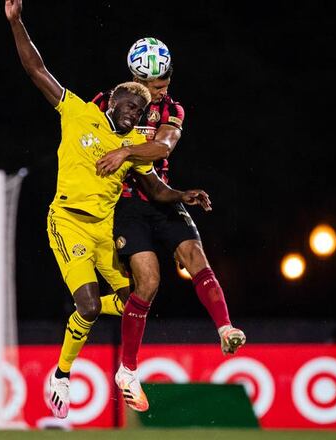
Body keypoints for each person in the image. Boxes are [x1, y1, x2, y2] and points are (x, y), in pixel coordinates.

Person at [5, 0, 213, 418]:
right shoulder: (79, 113)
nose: (135, 114)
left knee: (136, 297)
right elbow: (36, 70)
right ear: (112, 102)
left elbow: (155, 188)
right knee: (89, 306)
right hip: (68, 222)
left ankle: (122, 368)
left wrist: (183, 195)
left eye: (140, 110)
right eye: (129, 106)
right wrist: (16, 22)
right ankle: (61, 375)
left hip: (104, 229)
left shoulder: (131, 147)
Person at [90, 43, 246, 411]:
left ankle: (225, 329)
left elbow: (163, 147)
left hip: (161, 196)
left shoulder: (172, 109)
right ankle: (128, 371)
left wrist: (126, 151)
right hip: (124, 205)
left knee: (194, 254)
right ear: (135, 79)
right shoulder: (107, 102)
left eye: (165, 82)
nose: (162, 89)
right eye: (155, 84)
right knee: (148, 281)